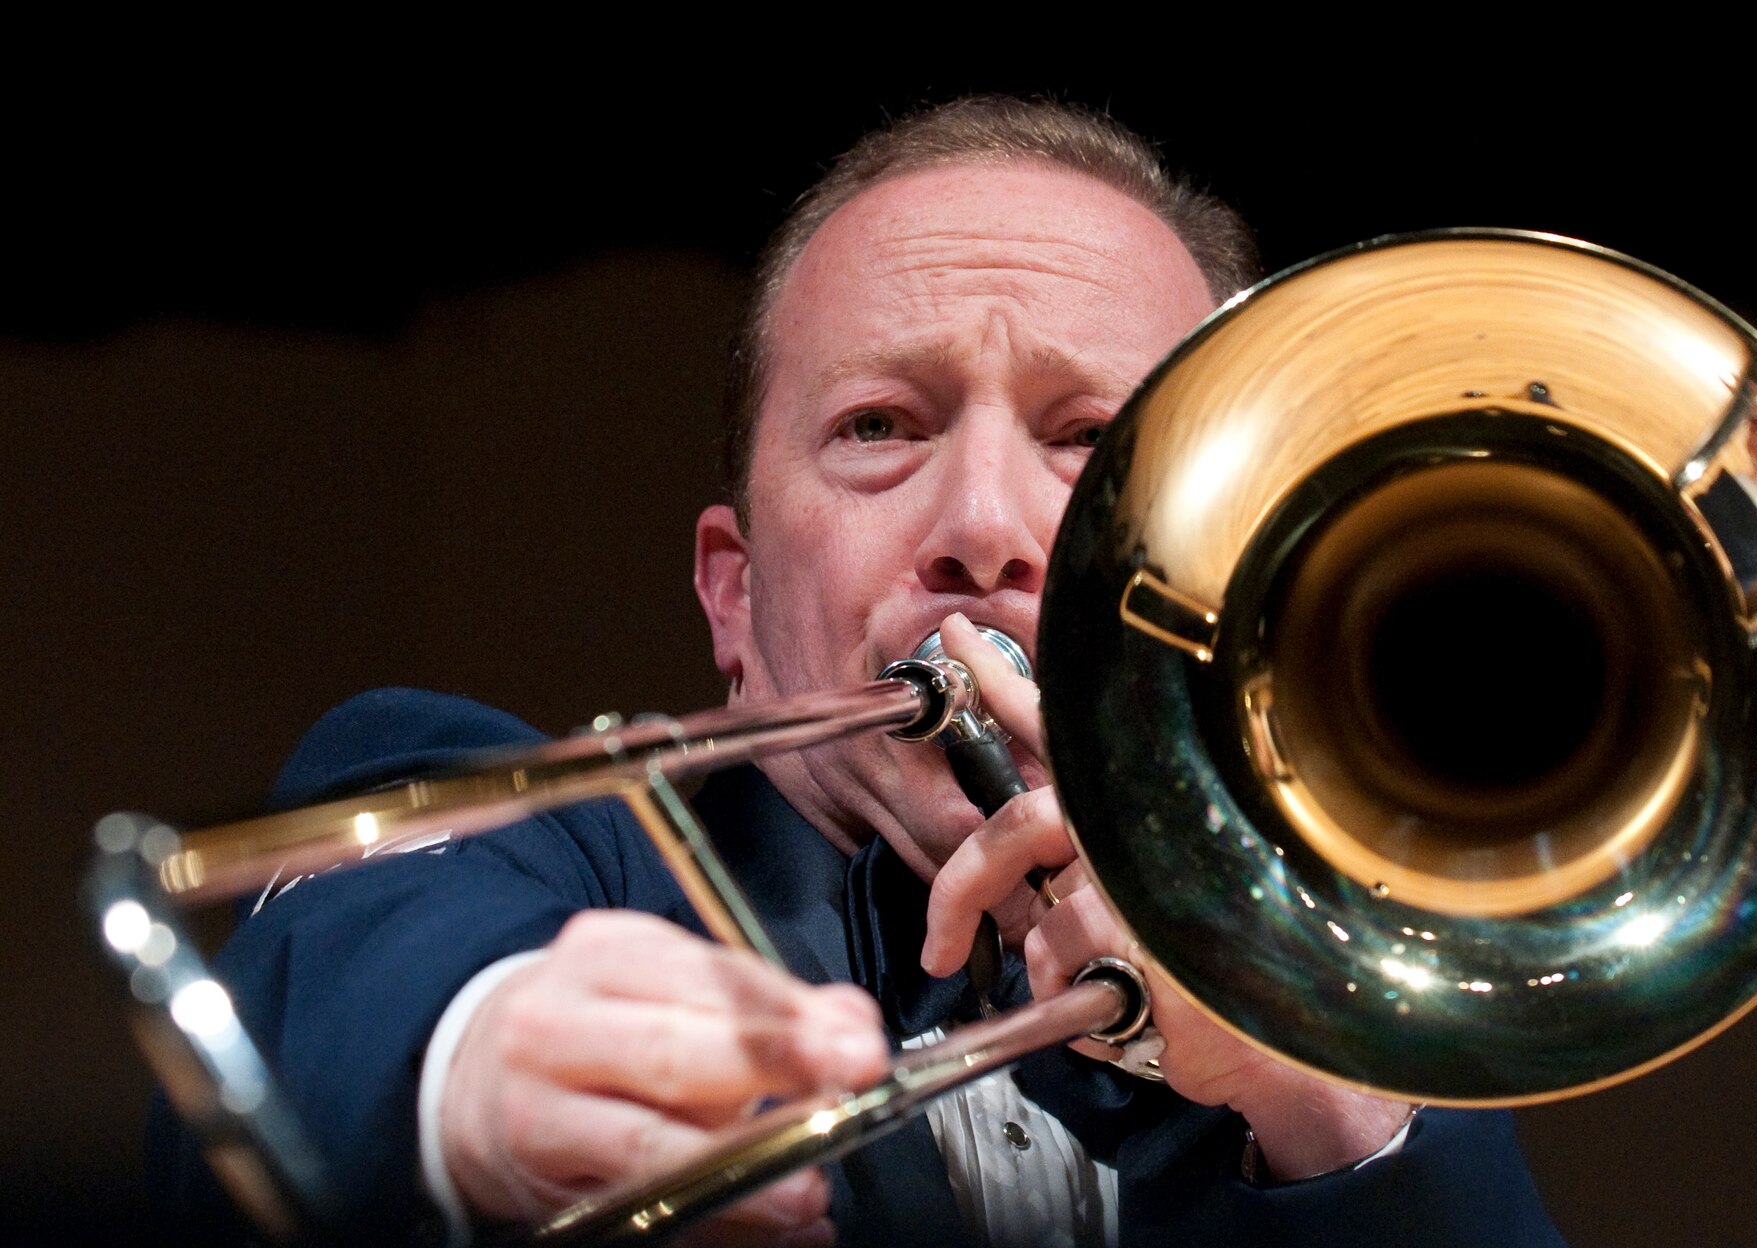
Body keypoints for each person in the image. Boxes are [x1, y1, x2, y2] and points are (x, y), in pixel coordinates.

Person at [153, 96, 1565, 1246]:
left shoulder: (1353, 1013)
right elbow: (360, 960)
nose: (985, 530)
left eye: (1092, 442)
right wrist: (474, 1068)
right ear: (739, 591)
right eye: (882, 426)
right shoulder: (527, 834)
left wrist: (1318, 1104)